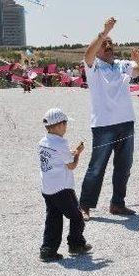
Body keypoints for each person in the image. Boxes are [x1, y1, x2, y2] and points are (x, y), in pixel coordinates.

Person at [79, 17, 139, 221]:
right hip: (103, 125)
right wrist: (104, 32)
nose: (108, 46)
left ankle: (117, 203)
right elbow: (87, 55)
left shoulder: (121, 65)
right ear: (98, 49)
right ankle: (84, 205)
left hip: (126, 122)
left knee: (124, 166)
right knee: (97, 167)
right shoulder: (93, 67)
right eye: (104, 44)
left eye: (110, 43)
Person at [38, 108, 91, 262]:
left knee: (53, 218)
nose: (66, 127)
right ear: (59, 125)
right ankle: (76, 244)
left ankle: (47, 250)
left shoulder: (42, 142)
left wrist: (72, 152)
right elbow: (71, 166)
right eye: (65, 124)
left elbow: (59, 157)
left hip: (48, 188)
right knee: (76, 216)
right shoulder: (61, 143)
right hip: (62, 188)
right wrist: (78, 154)